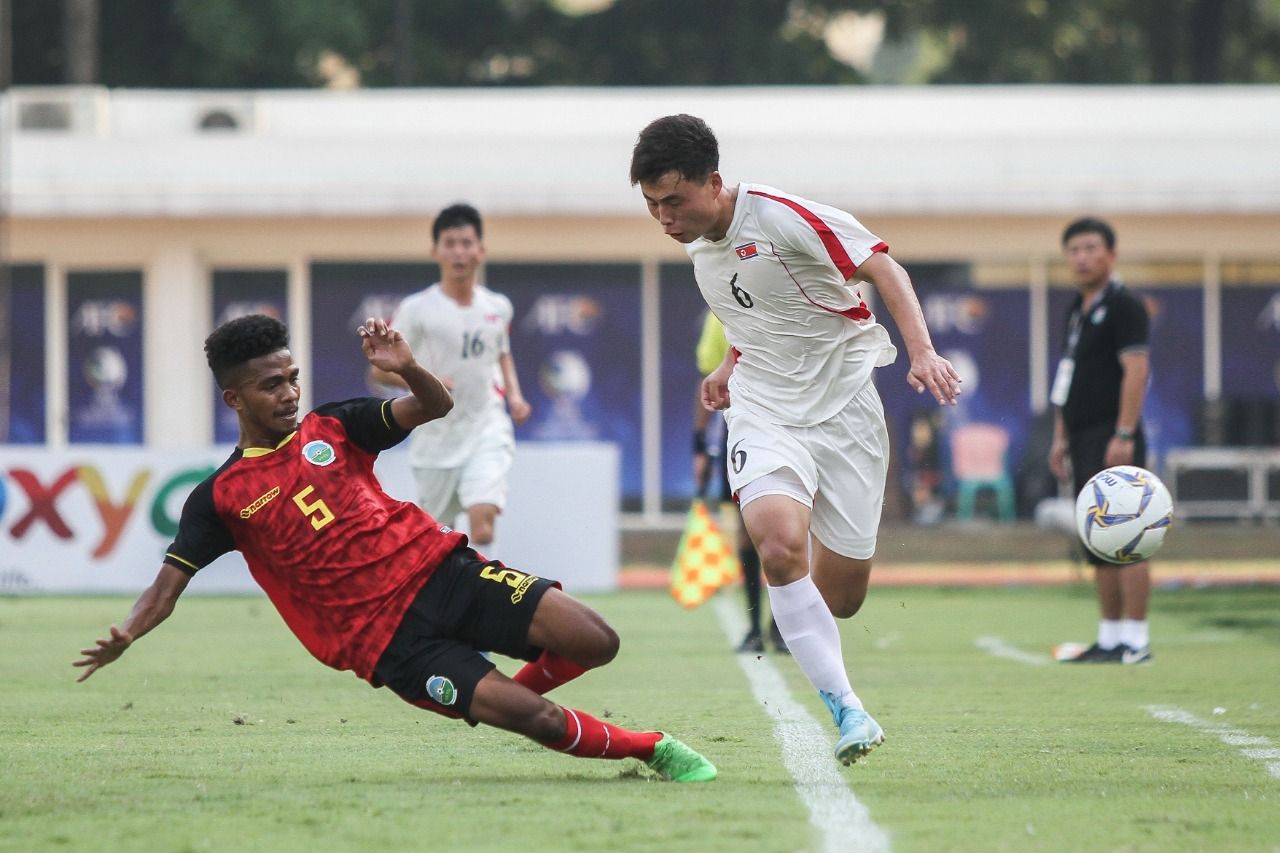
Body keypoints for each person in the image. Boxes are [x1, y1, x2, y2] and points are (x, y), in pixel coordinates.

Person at [74, 314, 716, 783]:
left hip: (444, 573)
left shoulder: (333, 425)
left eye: (292, 378)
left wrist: (406, 365)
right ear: (233, 398)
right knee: (542, 722)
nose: (290, 393)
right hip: (389, 645)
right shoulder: (221, 497)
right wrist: (127, 635)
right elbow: (167, 586)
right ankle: (649, 748)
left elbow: (434, 406)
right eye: (272, 385)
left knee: (597, 640)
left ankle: (503, 693)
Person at [630, 114, 961, 766]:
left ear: (714, 182)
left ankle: (808, 618)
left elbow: (884, 268)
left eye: (674, 200)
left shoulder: (783, 217)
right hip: (764, 411)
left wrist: (921, 351)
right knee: (778, 548)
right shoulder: (699, 247)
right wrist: (728, 368)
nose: (665, 219)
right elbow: (753, 316)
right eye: (651, 206)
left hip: (847, 413)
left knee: (840, 596)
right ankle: (848, 709)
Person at [371, 203, 531, 555]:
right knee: (438, 545)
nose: (459, 251)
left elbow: (501, 352)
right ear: (436, 251)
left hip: (486, 428)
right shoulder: (417, 309)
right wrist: (425, 381)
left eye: (466, 242)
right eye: (451, 243)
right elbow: (379, 370)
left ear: (480, 251)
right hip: (436, 441)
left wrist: (515, 397)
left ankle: (484, 592)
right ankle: (453, 596)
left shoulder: (496, 306)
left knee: (483, 527)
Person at [1049, 217, 1154, 665]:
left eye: (1091, 248)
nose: (1082, 257)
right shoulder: (1076, 308)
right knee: (1096, 535)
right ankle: (1110, 639)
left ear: (1110, 254)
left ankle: (1137, 639)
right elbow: (1068, 377)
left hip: (1115, 436)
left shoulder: (1126, 305)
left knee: (1130, 535)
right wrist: (1060, 437)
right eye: (1074, 250)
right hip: (1082, 437)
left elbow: (1136, 370)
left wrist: (1124, 433)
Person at [693, 310, 787, 655]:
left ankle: (781, 626)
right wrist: (700, 444)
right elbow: (708, 377)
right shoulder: (719, 314)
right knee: (748, 531)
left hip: (790, 424)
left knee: (792, 529)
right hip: (743, 430)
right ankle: (754, 627)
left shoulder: (786, 302)